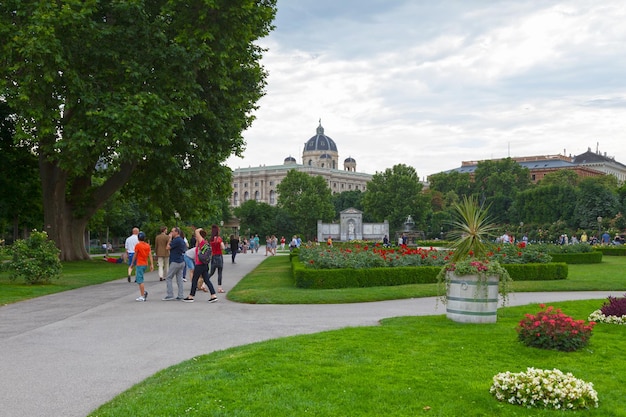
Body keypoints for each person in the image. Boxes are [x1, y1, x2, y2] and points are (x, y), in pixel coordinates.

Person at [183, 228, 218, 303]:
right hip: (204, 264)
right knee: (206, 280)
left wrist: (200, 230)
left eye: (197, 236)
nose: (196, 237)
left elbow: (196, 231)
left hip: (200, 265)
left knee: (194, 280)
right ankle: (213, 295)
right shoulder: (201, 243)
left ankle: (191, 296)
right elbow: (196, 249)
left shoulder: (202, 242)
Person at [161, 227, 186, 301]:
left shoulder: (176, 240)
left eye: (172, 232)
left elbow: (167, 247)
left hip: (175, 261)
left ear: (177, 232)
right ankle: (180, 295)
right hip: (181, 261)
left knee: (168, 277)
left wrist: (169, 239)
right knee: (179, 279)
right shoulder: (181, 240)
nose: (171, 233)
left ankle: (170, 294)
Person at [130, 232, 153, 301]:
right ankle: (143, 292)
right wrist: (151, 264)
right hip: (145, 263)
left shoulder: (138, 245)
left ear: (138, 238)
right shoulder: (147, 245)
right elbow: (150, 255)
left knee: (140, 280)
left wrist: (132, 263)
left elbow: (135, 255)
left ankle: (142, 295)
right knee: (140, 278)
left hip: (140, 263)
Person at [207, 224, 226, 294]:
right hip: (219, 256)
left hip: (214, 256)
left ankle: (203, 284)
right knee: (219, 272)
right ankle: (219, 288)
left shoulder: (211, 239)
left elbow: (210, 248)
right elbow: (223, 247)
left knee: (211, 272)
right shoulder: (219, 239)